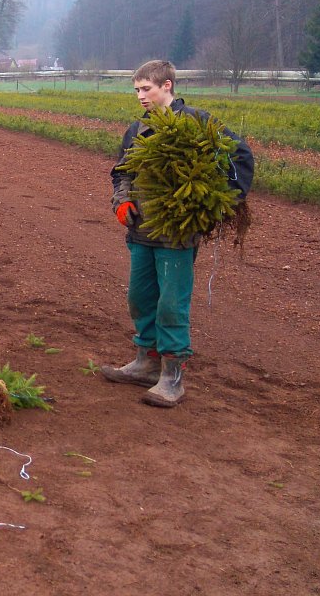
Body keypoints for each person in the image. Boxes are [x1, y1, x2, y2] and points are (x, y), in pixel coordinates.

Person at [102, 59, 254, 407]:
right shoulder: (137, 129)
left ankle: (173, 376)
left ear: (167, 85)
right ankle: (146, 363)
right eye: (136, 90)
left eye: (146, 89)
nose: (140, 96)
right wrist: (122, 202)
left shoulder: (197, 123)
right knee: (139, 298)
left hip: (177, 234)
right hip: (141, 230)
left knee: (172, 303)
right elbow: (121, 172)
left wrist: (217, 205)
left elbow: (239, 157)